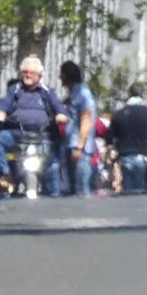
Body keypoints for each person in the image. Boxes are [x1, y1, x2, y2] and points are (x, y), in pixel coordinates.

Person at [0, 55, 68, 197]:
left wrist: (61, 115)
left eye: (31, 72)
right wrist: (0, 112)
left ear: (39, 75)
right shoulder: (15, 90)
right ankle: (5, 174)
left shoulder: (47, 92)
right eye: (25, 72)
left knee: (53, 163)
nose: (27, 75)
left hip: (42, 135)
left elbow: (58, 106)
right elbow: (4, 103)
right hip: (17, 133)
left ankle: (53, 194)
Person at [107, 82, 147, 195]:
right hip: (142, 158)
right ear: (143, 96)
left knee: (127, 191)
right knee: (140, 193)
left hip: (124, 158)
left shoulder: (118, 114)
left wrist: (111, 158)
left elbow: (109, 139)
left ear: (128, 94)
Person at [60, 60, 98, 197]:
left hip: (79, 149)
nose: (60, 78)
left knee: (81, 191)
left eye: (61, 74)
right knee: (72, 191)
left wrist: (79, 147)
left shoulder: (83, 93)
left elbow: (86, 119)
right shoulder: (73, 94)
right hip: (71, 145)